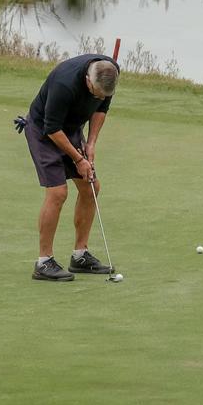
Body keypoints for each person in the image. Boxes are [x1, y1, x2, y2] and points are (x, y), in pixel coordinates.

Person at [23, 54, 120, 281]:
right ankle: (44, 262)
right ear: (87, 79)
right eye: (95, 92)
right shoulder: (64, 83)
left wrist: (91, 142)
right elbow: (51, 128)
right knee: (58, 192)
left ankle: (80, 255)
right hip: (44, 131)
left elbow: (100, 109)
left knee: (91, 187)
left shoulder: (109, 73)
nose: (99, 96)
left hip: (72, 129)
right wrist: (78, 159)